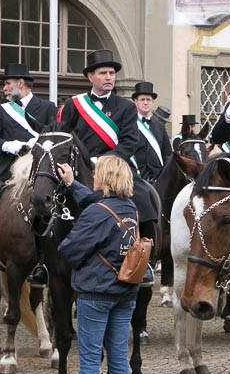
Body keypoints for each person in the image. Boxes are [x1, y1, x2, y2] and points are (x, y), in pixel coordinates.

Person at [56, 155, 139, 374]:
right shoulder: (130, 208)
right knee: (118, 359)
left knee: (90, 361)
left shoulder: (95, 214)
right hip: (125, 292)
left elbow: (70, 251)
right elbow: (97, 204)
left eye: (96, 174)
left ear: (105, 178)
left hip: (95, 293)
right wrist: (72, 184)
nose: (93, 177)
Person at [57, 49, 158, 286]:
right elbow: (65, 136)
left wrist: (105, 162)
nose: (109, 77)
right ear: (90, 77)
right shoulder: (74, 105)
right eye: (103, 73)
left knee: (144, 198)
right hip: (79, 165)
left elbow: (131, 141)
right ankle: (41, 261)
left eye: (111, 73)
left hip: (116, 168)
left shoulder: (125, 107)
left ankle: (147, 261)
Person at [0, 63, 57, 205]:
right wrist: (9, 145)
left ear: (21, 83)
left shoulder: (47, 107)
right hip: (9, 164)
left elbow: (54, 137)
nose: (4, 89)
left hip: (39, 164)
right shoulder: (2, 109)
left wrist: (37, 143)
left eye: (7, 83)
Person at [131, 81, 171, 182]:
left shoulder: (160, 127)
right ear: (136, 101)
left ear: (153, 102)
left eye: (148, 99)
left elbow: (167, 154)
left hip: (157, 179)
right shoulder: (129, 124)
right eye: (142, 99)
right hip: (135, 178)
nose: (145, 102)